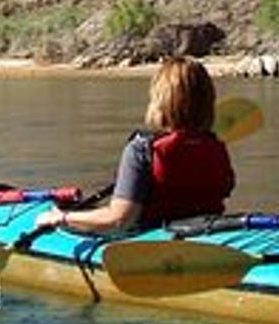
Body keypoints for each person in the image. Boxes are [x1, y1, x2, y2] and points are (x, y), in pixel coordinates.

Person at [38, 56, 235, 234]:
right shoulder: (216, 147)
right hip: (206, 233)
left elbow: (119, 220)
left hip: (150, 241)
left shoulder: (142, 149)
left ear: (160, 102)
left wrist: (61, 217)